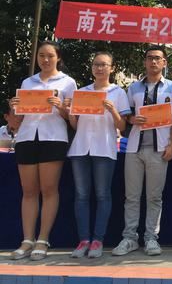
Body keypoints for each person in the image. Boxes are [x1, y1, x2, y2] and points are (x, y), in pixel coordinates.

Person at [112, 45, 172, 257]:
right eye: (150, 58)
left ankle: (151, 238)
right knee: (131, 197)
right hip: (134, 148)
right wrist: (133, 119)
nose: (153, 62)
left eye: (157, 58)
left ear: (164, 62)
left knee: (154, 197)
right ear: (145, 62)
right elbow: (126, 116)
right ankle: (129, 238)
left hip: (159, 149)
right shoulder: (133, 87)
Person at [9, 41, 77, 260]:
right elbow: (18, 120)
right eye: (41, 56)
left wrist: (61, 107)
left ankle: (43, 239)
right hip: (27, 137)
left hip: (53, 138)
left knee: (49, 190)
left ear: (58, 57)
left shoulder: (68, 82)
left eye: (50, 55)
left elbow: (72, 117)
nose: (45, 60)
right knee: (28, 191)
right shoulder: (28, 82)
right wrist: (14, 107)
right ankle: (27, 240)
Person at [67, 52, 130, 259]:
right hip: (80, 148)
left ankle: (98, 240)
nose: (100, 68)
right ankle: (83, 239)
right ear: (92, 67)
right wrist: (71, 113)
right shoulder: (81, 92)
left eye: (104, 65)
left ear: (112, 68)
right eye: (96, 64)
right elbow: (75, 125)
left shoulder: (118, 92)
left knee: (103, 194)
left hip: (104, 147)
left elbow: (122, 126)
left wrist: (112, 110)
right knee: (81, 195)